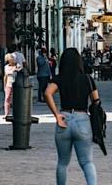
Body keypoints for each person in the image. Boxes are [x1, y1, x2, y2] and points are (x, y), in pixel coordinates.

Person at [44, 48, 99, 185]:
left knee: (62, 162)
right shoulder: (87, 79)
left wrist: (56, 114)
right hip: (82, 120)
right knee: (87, 161)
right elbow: (96, 101)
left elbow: (47, 93)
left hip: (65, 118)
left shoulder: (59, 78)